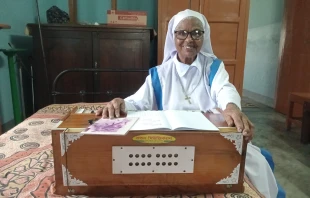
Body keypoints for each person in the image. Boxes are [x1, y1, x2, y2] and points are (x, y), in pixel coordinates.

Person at [97, 9, 278, 198]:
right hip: (172, 141)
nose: (189, 39)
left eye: (196, 33)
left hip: (210, 140)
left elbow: (224, 88)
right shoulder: (160, 73)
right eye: (182, 33)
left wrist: (230, 106)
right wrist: (121, 103)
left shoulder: (213, 67)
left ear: (203, 36)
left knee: (255, 165)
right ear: (173, 36)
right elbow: (138, 101)